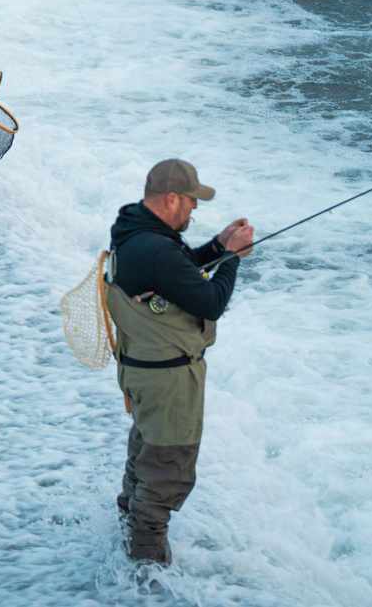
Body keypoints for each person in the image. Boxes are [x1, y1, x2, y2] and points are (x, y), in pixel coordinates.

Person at [106, 159, 255, 565]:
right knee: (166, 471)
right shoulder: (155, 248)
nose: (194, 209)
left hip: (141, 369)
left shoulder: (133, 230)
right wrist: (232, 258)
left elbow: (178, 271)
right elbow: (210, 301)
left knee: (144, 456)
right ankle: (145, 578)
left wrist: (218, 247)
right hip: (168, 381)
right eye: (191, 202)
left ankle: (126, 533)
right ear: (171, 198)